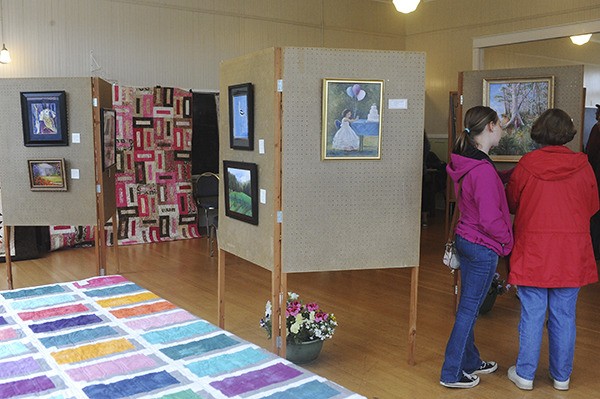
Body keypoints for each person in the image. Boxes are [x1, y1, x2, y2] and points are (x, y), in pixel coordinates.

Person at [505, 108, 599, 391]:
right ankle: (561, 377)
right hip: (571, 251)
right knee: (565, 315)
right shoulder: (583, 166)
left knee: (532, 314)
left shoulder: (526, 165)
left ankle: (525, 374)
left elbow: (511, 202)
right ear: (567, 134)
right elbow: (593, 206)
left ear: (539, 132)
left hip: (534, 250)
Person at [440, 106, 514, 389]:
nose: (502, 131)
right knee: (469, 309)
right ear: (491, 127)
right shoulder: (481, 169)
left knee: (467, 306)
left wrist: (504, 177)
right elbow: (489, 216)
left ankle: (469, 361)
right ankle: (451, 372)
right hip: (482, 245)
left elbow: (484, 186)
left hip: (468, 239)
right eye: (500, 125)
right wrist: (506, 242)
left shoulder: (470, 161)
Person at [585, 104, 600, 258]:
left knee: (596, 215)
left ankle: (595, 250)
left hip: (596, 177)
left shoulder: (597, 129)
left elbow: (590, 153)